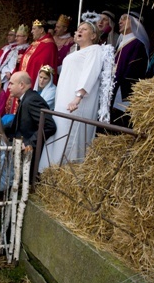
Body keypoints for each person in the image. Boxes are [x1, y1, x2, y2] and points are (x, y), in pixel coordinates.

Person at [39, 19, 111, 171]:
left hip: (76, 100)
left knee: (69, 132)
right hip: (63, 97)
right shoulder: (76, 52)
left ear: (93, 36)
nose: (79, 31)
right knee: (59, 130)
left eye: (84, 29)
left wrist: (78, 97)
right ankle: (49, 170)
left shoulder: (94, 50)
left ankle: (65, 170)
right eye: (78, 29)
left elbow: (90, 73)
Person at [110, 11, 150, 128]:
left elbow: (133, 74)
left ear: (135, 23)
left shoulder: (137, 44)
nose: (120, 21)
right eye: (120, 19)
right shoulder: (121, 44)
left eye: (124, 19)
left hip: (122, 95)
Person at [5, 72, 56, 155]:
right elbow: (17, 122)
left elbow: (49, 126)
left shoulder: (32, 100)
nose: (8, 87)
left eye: (11, 84)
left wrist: (29, 143)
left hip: (30, 154)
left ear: (21, 85)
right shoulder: (26, 98)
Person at [16, 19, 58, 86]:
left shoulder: (49, 45)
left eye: (34, 29)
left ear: (41, 30)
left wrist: (25, 58)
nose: (32, 31)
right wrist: (22, 58)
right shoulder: (35, 43)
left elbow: (42, 62)